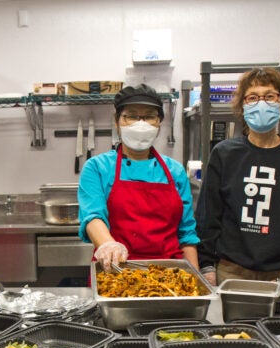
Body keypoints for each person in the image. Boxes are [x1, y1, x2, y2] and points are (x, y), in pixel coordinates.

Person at [195, 68, 280, 286]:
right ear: (243, 105)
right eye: (253, 98)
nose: (261, 104)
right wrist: (207, 265)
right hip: (233, 271)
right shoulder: (225, 153)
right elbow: (209, 214)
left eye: (269, 96)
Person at [78, 84, 200, 271]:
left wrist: (195, 277)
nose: (140, 123)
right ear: (117, 121)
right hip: (116, 269)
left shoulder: (174, 170)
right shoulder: (98, 167)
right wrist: (108, 245)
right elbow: (93, 217)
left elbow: (186, 234)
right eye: (131, 116)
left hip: (170, 272)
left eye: (150, 116)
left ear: (159, 123)